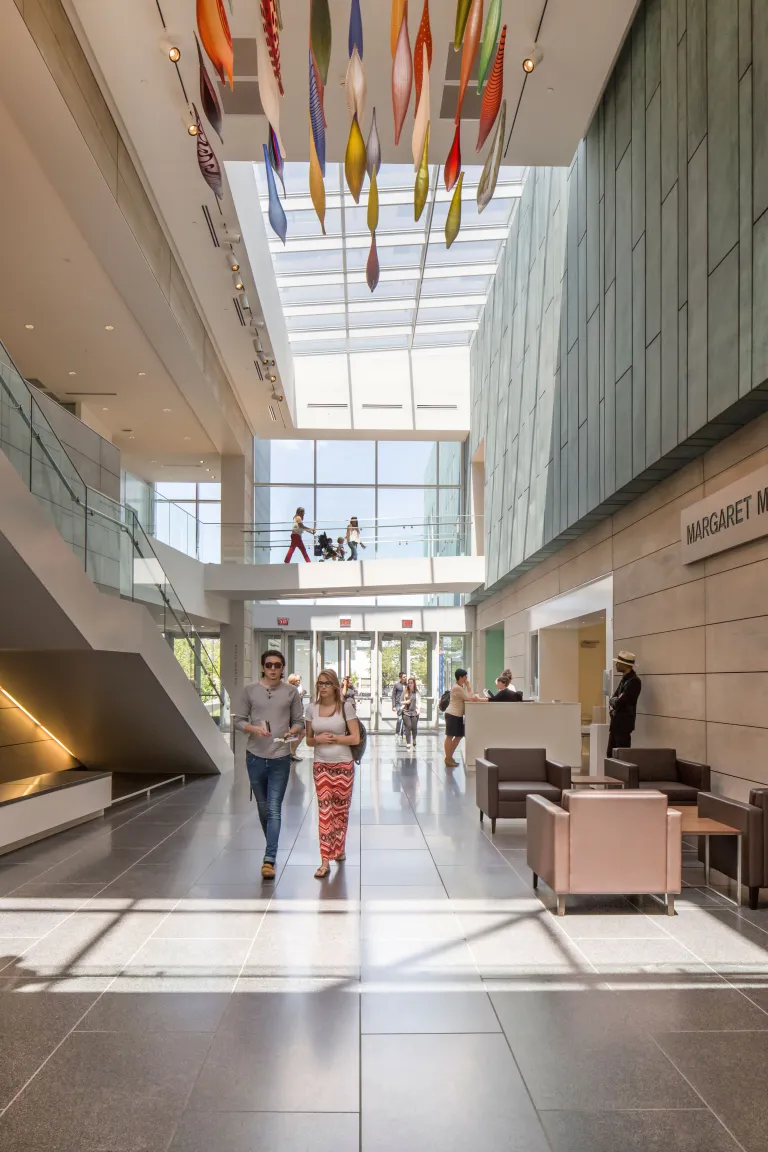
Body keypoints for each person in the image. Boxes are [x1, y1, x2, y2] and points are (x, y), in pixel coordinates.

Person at [234, 649, 305, 879]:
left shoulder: (291, 692)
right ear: (263, 667)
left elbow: (299, 722)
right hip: (254, 756)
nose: (273, 669)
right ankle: (271, 847)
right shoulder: (250, 691)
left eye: (277, 665)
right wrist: (255, 729)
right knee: (263, 807)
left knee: (274, 807)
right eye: (269, 665)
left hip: (280, 757)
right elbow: (238, 720)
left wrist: (291, 732)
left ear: (282, 668)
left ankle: (269, 858)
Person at [305, 668, 360, 879]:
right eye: (320, 683)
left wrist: (334, 739)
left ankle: (340, 847)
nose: (323, 687)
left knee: (340, 811)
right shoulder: (311, 709)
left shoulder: (345, 707)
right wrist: (317, 740)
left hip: (343, 765)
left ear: (335, 686)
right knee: (325, 812)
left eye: (327, 683)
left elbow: (354, 738)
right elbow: (309, 740)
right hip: (321, 765)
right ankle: (325, 860)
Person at [443, 667, 485, 767]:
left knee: (458, 736)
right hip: (453, 714)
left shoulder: (459, 687)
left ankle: (449, 757)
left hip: (456, 715)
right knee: (450, 736)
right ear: (461, 677)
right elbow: (469, 698)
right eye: (465, 676)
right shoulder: (458, 688)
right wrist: (468, 686)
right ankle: (448, 758)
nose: (466, 678)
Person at [607, 650, 642, 757]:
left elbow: (619, 702)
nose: (616, 664)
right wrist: (615, 700)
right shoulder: (625, 680)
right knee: (610, 755)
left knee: (621, 757)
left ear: (625, 665)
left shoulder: (634, 681)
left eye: (618, 663)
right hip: (616, 724)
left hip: (623, 725)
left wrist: (615, 701)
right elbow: (613, 699)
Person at [286, 673, 307, 762]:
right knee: (299, 732)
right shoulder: (289, 689)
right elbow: (292, 701)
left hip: (297, 715)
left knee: (302, 732)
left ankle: (292, 751)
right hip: (292, 715)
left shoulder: (296, 688)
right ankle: (291, 751)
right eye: (297, 680)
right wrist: (301, 694)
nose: (299, 682)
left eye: (299, 680)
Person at [402, 676, 420, 749]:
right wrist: (406, 702)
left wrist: (418, 710)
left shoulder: (417, 693)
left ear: (414, 684)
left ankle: (414, 739)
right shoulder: (405, 692)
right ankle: (408, 743)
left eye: (411, 683)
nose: (410, 684)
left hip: (414, 712)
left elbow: (419, 702)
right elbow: (400, 701)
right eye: (409, 683)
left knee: (414, 728)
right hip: (406, 712)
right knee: (408, 726)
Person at [391, 671, 407, 739]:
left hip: (405, 704)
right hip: (398, 704)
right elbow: (393, 696)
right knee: (400, 718)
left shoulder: (407, 685)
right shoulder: (397, 685)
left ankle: (403, 733)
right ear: (400, 678)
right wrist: (393, 705)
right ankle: (397, 732)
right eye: (404, 677)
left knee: (405, 719)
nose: (405, 678)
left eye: (405, 676)